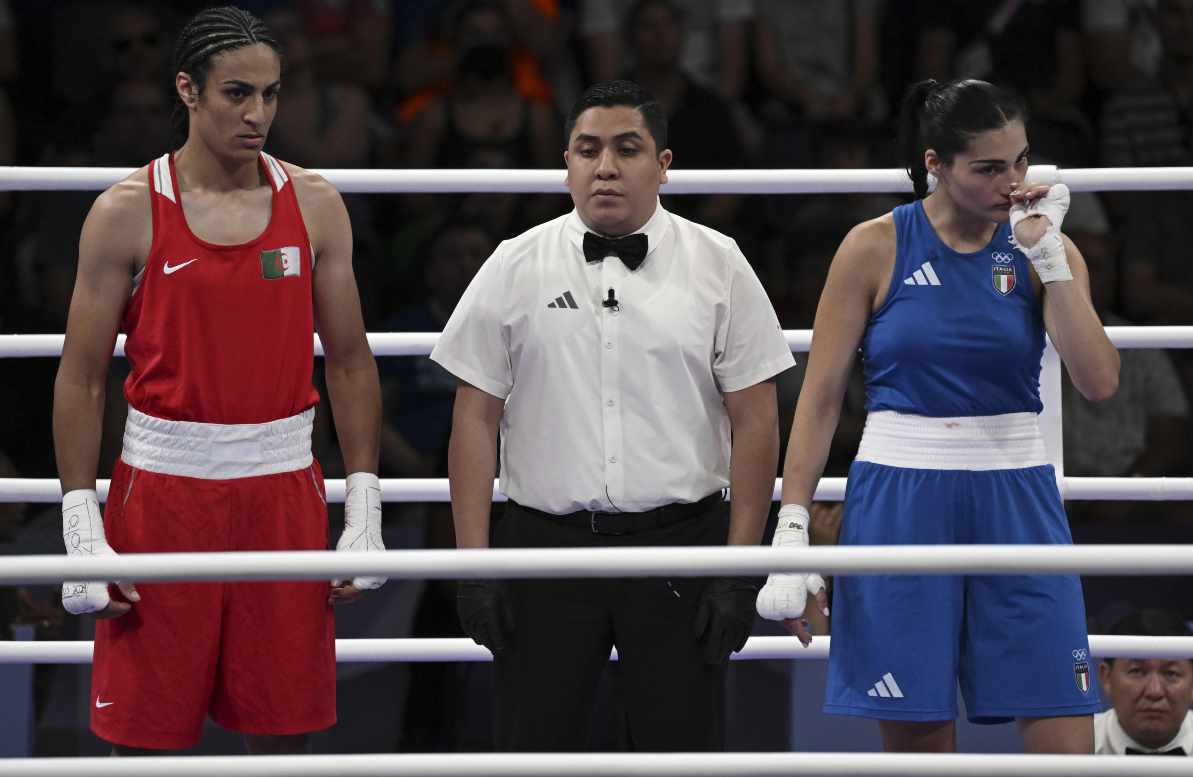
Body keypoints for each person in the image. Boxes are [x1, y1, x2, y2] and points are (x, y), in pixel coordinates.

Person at [52, 5, 384, 755]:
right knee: (144, 743)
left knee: (281, 736)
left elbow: (351, 359)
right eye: (237, 93)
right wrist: (82, 528)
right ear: (188, 90)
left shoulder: (316, 205)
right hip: (161, 496)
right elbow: (80, 378)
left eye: (270, 93)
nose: (258, 113)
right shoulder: (125, 213)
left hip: (283, 497)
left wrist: (363, 507)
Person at [755, 78, 1120, 753]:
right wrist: (792, 527)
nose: (1010, 182)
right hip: (899, 497)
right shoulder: (871, 247)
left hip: (1017, 496)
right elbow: (820, 396)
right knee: (920, 749)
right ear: (935, 164)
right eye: (986, 168)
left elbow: (1098, 380)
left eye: (1019, 161)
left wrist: (1048, 258)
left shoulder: (1044, 246)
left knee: (1065, 745)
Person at [430, 79, 794, 751]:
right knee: (534, 748)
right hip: (544, 549)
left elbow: (757, 421)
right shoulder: (514, 263)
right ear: (566, 162)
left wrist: (741, 565)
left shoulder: (719, 263)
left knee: (682, 751)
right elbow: (473, 418)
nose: (605, 166)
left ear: (662, 165)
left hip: (682, 546)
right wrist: (473, 563)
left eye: (627, 149)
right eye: (587, 149)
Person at [1095, 609, 1193, 756]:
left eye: (1171, 673)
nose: (1155, 691)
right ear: (1107, 677)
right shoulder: (1077, 745)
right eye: (1137, 671)